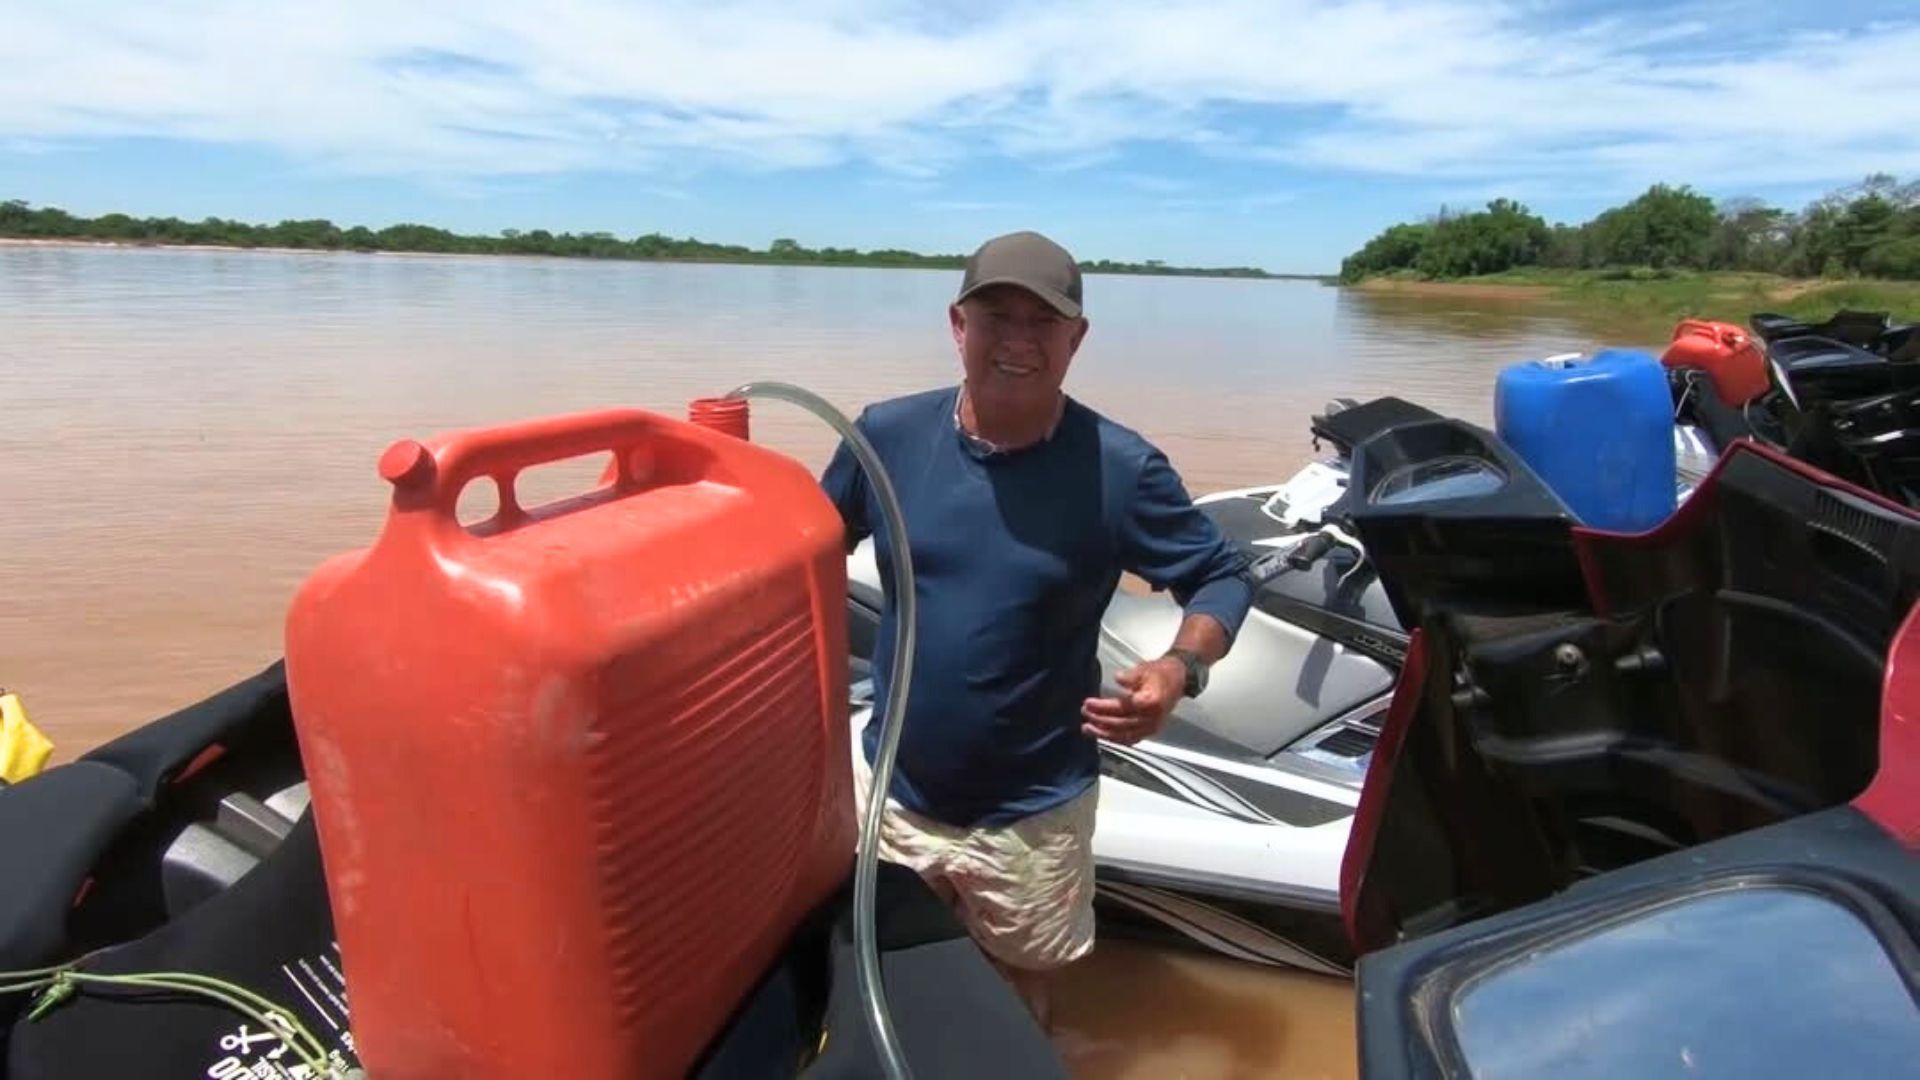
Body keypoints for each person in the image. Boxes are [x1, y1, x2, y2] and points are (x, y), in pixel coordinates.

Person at [819, 230, 1253, 1028]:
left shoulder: (1120, 468)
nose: (1018, 341)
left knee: (1021, 998)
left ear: (1076, 339)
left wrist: (1177, 670)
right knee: (891, 982)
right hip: (895, 791)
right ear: (958, 325)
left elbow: (1222, 576)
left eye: (1042, 322)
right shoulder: (885, 437)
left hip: (1036, 811)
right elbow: (807, 551)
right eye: (996, 317)